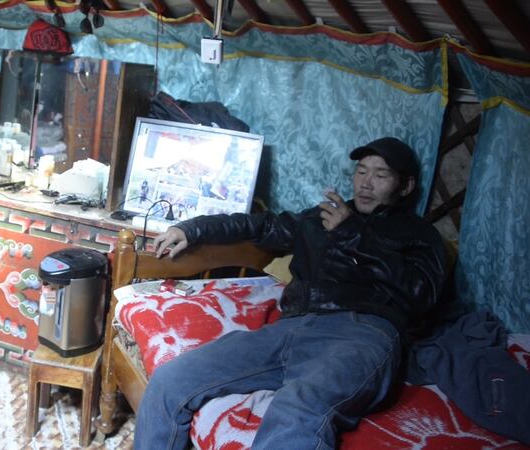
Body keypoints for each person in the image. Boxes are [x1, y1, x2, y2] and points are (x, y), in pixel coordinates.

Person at [134, 137, 447, 449]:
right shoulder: (322, 218)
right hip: (290, 328)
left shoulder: (416, 232)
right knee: (170, 380)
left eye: (381, 175)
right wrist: (193, 229)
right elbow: (261, 226)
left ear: (405, 186)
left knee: (295, 409)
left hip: (360, 334)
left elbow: (422, 295)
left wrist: (353, 235)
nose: (366, 183)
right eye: (361, 171)